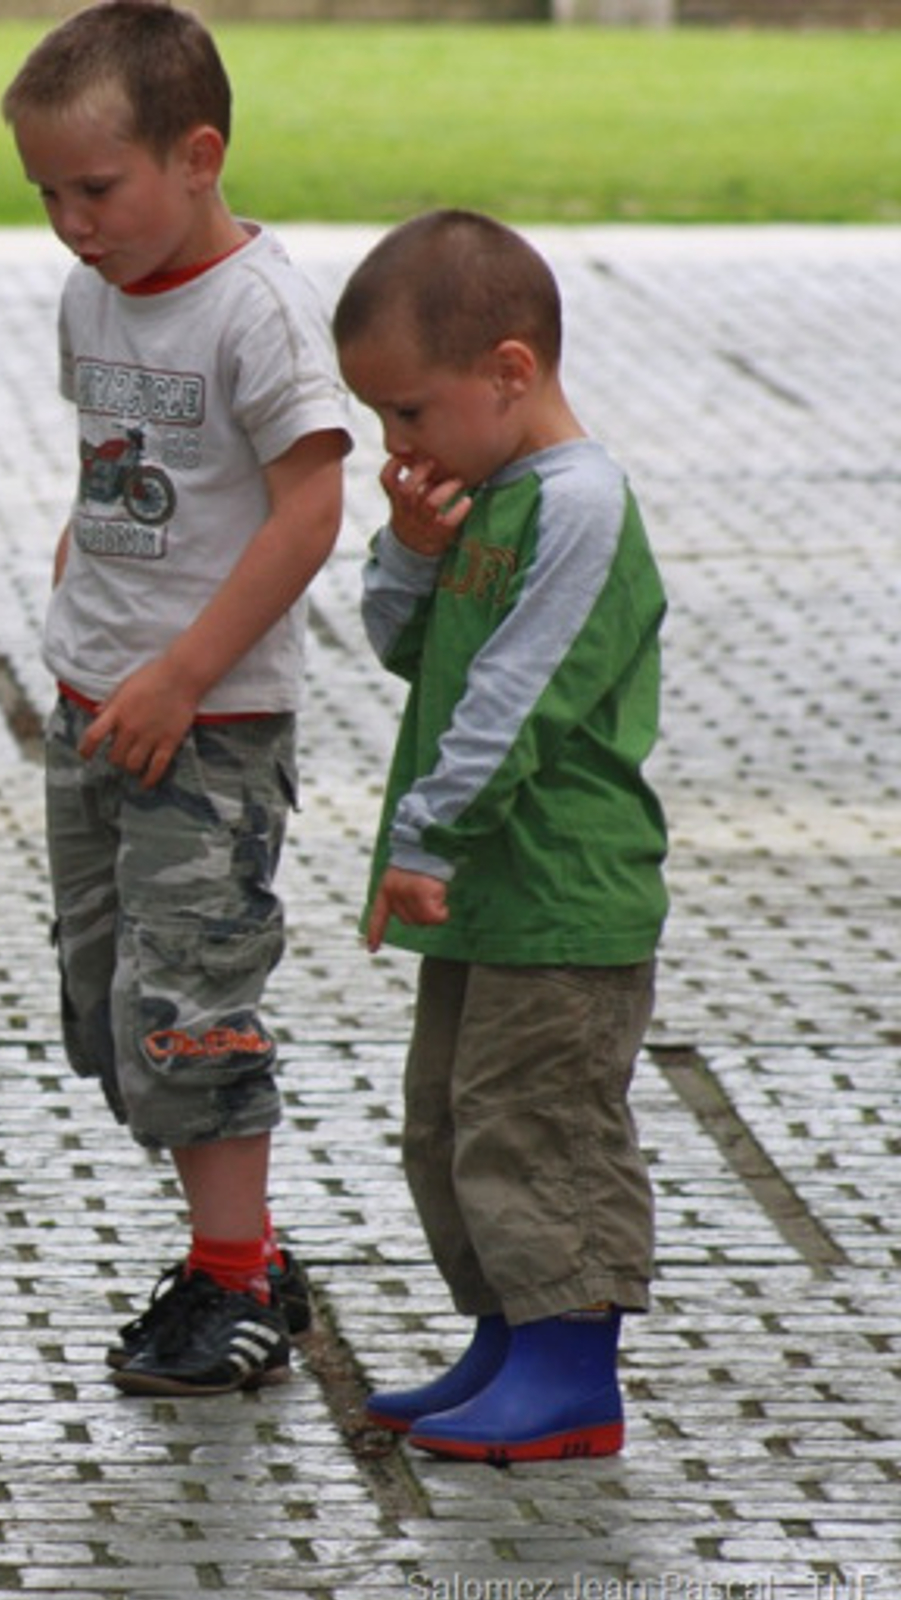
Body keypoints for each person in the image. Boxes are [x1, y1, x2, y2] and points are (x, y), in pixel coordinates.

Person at [0, 0, 351, 1395]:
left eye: (97, 187)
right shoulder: (94, 292)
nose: (72, 222)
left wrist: (185, 670)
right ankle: (239, 1256)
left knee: (191, 1010)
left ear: (198, 154)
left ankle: (234, 1280)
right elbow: (115, 469)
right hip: (95, 704)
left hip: (206, 729)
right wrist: (82, 600)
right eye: (45, 195)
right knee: (110, 1015)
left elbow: (309, 504)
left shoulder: (257, 311)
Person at [334, 209, 668, 1463]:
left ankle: (572, 1372)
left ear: (509, 373)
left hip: (561, 894)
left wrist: (423, 836)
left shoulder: (579, 507)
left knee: (543, 1123)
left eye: (409, 412)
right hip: (483, 887)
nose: (394, 442)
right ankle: (503, 1341)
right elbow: (408, 652)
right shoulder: (493, 496)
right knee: (451, 1120)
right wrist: (414, 552)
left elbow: (517, 695)